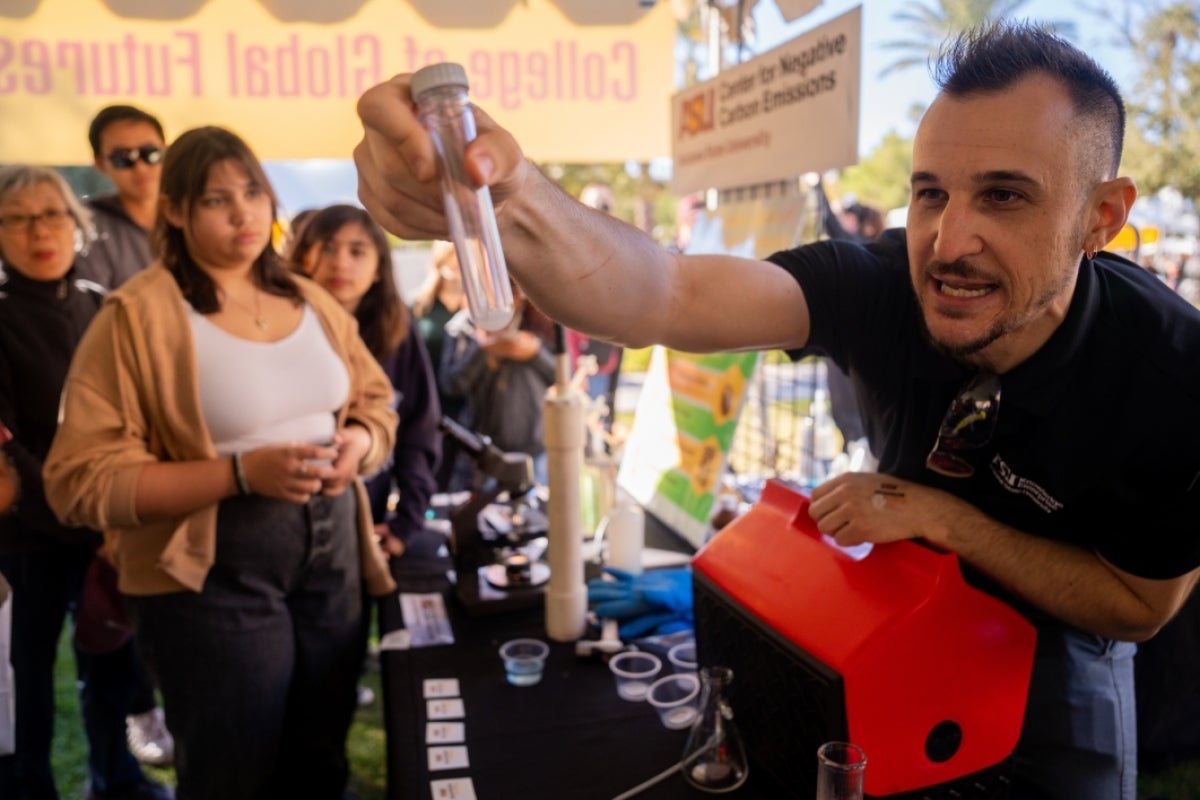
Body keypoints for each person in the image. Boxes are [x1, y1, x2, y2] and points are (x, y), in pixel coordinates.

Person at [353, 21, 1200, 800]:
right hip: (890, 631)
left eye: (1005, 196)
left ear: (1102, 217)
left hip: (1059, 666)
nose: (948, 243)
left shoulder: (1170, 371)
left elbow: (1138, 604)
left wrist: (945, 519)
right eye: (931, 193)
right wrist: (507, 199)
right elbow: (670, 294)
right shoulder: (882, 284)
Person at [44, 126, 397, 800]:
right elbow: (79, 482)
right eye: (216, 200)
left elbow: (376, 402)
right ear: (173, 210)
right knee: (233, 770)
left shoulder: (307, 297)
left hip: (333, 559)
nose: (243, 214)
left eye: (253, 193)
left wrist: (359, 446)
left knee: (320, 754)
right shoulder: (136, 317)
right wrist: (240, 474)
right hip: (209, 574)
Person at [0, 166, 172, 800]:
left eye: (53, 214)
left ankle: (118, 781)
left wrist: (116, 513)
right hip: (24, 533)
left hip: (106, 528)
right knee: (24, 673)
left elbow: (137, 413)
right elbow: (7, 444)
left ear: (77, 225)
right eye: (18, 218)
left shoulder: (105, 303)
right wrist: (85, 507)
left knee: (111, 659)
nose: (39, 230)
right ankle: (25, 786)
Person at [295, 203, 441, 559]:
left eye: (357, 251)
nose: (341, 262)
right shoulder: (280, 326)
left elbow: (419, 428)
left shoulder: (398, 332)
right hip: (285, 514)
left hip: (364, 518)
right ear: (303, 256)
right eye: (327, 247)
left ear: (379, 268)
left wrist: (406, 521)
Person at [440, 284, 556, 488]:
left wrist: (535, 353)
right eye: (496, 291)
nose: (506, 301)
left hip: (532, 448)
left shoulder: (538, 324)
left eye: (513, 293)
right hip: (483, 451)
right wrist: (484, 349)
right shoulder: (463, 328)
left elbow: (563, 376)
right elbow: (452, 383)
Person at [76, 104, 167, 290]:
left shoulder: (192, 214)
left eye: (149, 153)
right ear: (100, 163)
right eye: (122, 158)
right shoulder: (89, 226)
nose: (140, 167)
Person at [410, 240, 468, 492]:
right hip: (427, 404)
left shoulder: (478, 308)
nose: (455, 262)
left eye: (460, 256)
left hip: (467, 408)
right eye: (450, 255)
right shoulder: (418, 306)